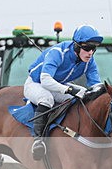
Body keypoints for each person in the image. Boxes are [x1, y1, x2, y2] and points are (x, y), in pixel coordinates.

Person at [24, 24, 104, 160]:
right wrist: (70, 89)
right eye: (87, 48)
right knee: (46, 98)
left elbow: (95, 86)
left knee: (83, 95)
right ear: (77, 46)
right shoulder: (58, 53)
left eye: (93, 49)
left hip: (57, 84)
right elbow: (45, 80)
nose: (90, 53)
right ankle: (38, 141)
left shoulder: (90, 61)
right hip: (36, 83)